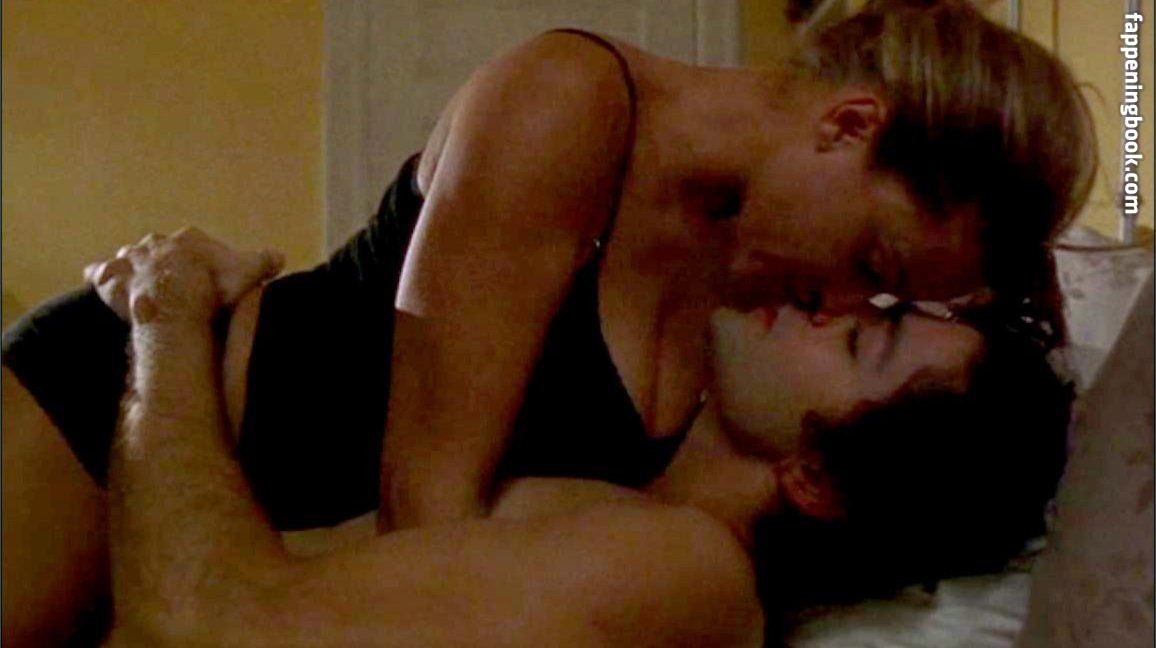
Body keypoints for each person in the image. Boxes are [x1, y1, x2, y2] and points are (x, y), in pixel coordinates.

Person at [1, 0, 1093, 643]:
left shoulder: (756, 264)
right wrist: (171, 315)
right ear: (848, 124)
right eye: (870, 266)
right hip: (119, 406)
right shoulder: (570, 106)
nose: (843, 300)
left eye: (882, 304)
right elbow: (426, 518)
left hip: (221, 527)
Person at [101, 208, 1070, 646]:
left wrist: (166, 317)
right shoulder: (627, 488)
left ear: (814, 477)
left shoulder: (684, 569)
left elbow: (201, 631)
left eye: (864, 342)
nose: (834, 306)